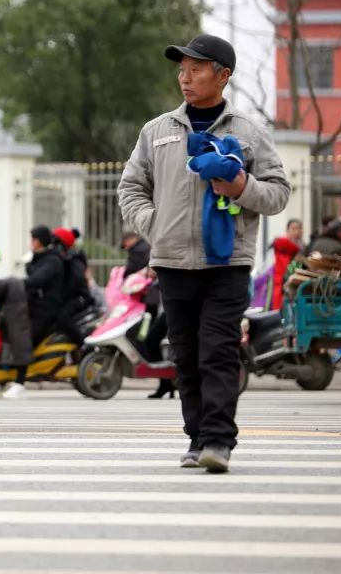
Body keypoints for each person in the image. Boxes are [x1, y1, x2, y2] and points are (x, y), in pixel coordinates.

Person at [118, 33, 290, 473]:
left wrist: (241, 187)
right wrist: (154, 225)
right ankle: (196, 438)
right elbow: (131, 187)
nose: (185, 77)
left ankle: (218, 441)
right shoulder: (156, 132)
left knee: (218, 350)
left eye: (196, 69)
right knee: (186, 355)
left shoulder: (249, 133)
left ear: (223, 76)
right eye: (182, 69)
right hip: (172, 263)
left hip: (226, 263)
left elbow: (278, 194)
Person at [0, 226, 66, 400]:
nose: (30, 242)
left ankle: (19, 383)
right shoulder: (38, 258)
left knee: (23, 340)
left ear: (38, 241)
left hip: (46, 310)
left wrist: (17, 283)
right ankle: (1, 380)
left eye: (32, 239)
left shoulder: (52, 260)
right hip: (31, 307)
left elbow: (36, 280)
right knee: (9, 335)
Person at [53, 227, 92, 344]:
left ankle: (83, 344)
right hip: (71, 296)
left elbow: (76, 282)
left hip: (81, 297)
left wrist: (63, 295)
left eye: (55, 243)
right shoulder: (64, 259)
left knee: (62, 317)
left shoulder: (74, 259)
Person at [269, 219, 304, 311]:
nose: (297, 231)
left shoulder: (304, 248)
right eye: (293, 228)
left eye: (299, 228)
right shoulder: (282, 246)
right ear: (287, 231)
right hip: (282, 282)